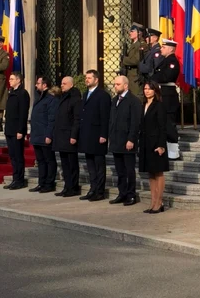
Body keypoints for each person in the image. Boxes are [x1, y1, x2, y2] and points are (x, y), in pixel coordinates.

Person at [109, 75, 142, 206]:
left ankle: (131, 195)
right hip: (116, 140)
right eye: (115, 84)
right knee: (120, 170)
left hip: (127, 141)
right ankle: (122, 193)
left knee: (129, 170)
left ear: (125, 85)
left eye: (118, 84)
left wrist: (131, 139)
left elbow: (135, 122)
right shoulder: (114, 100)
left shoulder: (133, 101)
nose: (115, 86)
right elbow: (111, 120)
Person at [79, 69, 111, 201]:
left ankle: (100, 191)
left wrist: (104, 134)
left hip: (98, 134)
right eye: (86, 78)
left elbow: (105, 116)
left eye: (89, 78)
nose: (86, 80)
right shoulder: (86, 93)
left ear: (96, 79)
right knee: (90, 164)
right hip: (87, 134)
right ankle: (92, 189)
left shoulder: (102, 95)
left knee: (99, 165)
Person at [139, 80, 169, 213]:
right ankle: (153, 202)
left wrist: (161, 145)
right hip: (145, 143)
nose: (147, 91)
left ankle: (159, 202)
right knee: (150, 173)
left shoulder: (159, 106)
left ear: (155, 91)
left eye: (149, 89)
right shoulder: (143, 104)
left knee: (158, 172)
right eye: (145, 88)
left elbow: (163, 127)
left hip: (156, 143)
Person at [29, 76, 59, 193]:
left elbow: (52, 119)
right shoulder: (40, 97)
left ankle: (49, 183)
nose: (36, 85)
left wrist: (49, 135)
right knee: (40, 161)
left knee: (49, 160)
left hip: (45, 135)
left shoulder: (51, 99)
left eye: (38, 83)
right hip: (37, 134)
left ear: (44, 85)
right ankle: (41, 183)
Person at [53, 76, 82, 197]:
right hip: (61, 135)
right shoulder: (62, 97)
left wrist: (74, 135)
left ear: (71, 85)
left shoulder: (75, 98)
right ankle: (67, 186)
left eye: (64, 83)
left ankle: (73, 187)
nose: (62, 85)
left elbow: (77, 119)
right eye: (61, 83)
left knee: (72, 163)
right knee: (64, 163)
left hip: (69, 135)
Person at [3, 72, 30, 190]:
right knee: (12, 156)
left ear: (19, 80)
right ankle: (15, 178)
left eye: (12, 79)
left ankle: (20, 179)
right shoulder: (11, 92)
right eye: (10, 79)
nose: (10, 81)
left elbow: (23, 114)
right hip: (9, 128)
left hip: (17, 130)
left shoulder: (22, 94)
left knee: (18, 156)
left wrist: (21, 130)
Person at [151, 38, 180, 144]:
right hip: (163, 94)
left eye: (164, 47)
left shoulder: (172, 61)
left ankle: (173, 151)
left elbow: (166, 77)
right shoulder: (165, 60)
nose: (161, 49)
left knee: (169, 124)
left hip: (168, 96)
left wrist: (153, 78)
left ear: (171, 49)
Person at [121, 23, 148, 96]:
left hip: (136, 76)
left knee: (136, 97)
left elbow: (136, 60)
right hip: (130, 76)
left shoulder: (142, 44)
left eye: (132, 31)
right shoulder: (134, 44)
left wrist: (124, 59)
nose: (130, 33)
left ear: (139, 33)